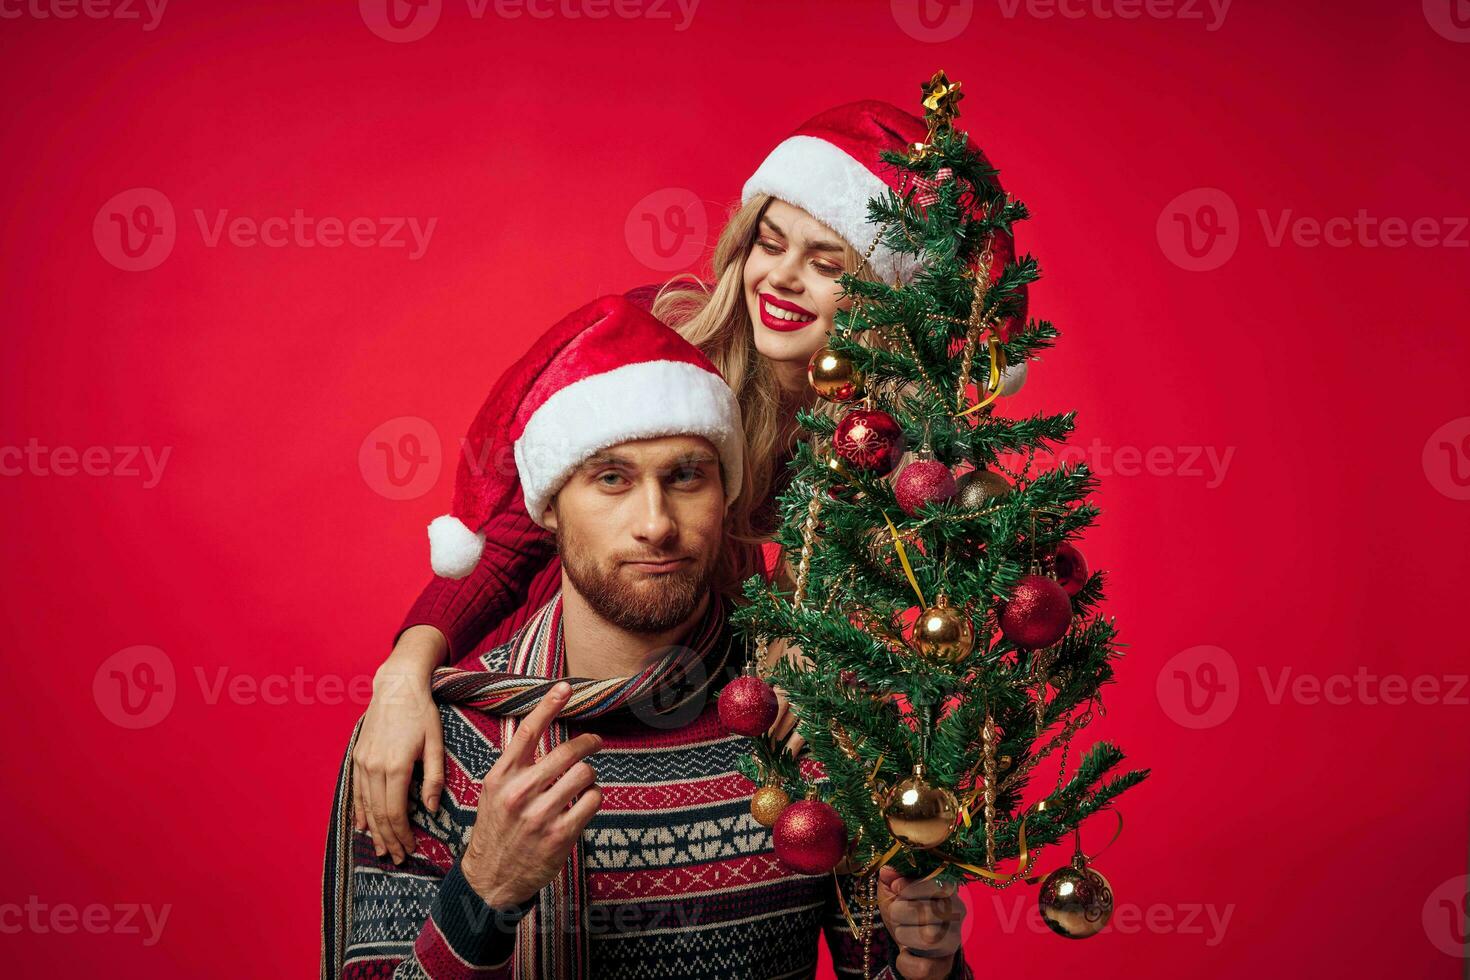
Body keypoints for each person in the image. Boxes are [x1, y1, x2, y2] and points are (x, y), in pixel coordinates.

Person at [351, 99, 1027, 870]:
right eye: (770, 244)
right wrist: (404, 674)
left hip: (727, 760)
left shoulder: (895, 457)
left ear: (882, 294)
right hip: (569, 690)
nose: (783, 278)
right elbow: (509, 537)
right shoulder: (655, 343)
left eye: (827, 263)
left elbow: (902, 635)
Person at [322, 296, 972, 979]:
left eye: (686, 476)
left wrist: (929, 965)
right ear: (548, 508)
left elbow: (883, 967)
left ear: (726, 495)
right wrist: (483, 888)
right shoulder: (438, 745)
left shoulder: (804, 723)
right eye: (612, 480)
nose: (656, 523)